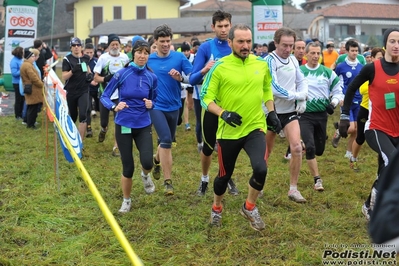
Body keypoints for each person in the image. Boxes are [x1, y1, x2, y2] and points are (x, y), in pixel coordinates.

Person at [201, 24, 281, 230]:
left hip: (255, 127)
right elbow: (205, 97)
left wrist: (271, 111)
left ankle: (249, 206)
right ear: (230, 43)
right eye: (240, 41)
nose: (245, 46)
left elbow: (266, 89)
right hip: (229, 131)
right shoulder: (220, 66)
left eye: (248, 41)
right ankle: (217, 207)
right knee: (223, 177)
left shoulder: (261, 64)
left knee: (261, 169)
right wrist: (223, 114)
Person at [339, 28, 399, 221]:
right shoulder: (373, 68)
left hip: (397, 129)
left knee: (385, 169)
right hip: (376, 127)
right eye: (392, 41)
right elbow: (351, 89)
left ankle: (369, 205)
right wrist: (344, 115)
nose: (396, 45)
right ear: (385, 44)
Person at [100, 40, 157, 213]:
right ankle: (126, 200)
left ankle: (145, 175)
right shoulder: (122, 74)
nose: (142, 56)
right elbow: (105, 96)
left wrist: (150, 104)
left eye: (146, 53)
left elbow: (155, 99)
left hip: (143, 124)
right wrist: (114, 107)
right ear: (133, 54)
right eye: (139, 52)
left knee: (147, 162)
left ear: (148, 55)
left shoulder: (151, 77)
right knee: (128, 166)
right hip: (124, 124)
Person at [189, 10, 239, 196]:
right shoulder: (206, 48)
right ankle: (204, 179)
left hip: (231, 105)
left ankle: (226, 178)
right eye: (220, 26)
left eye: (227, 26)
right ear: (213, 27)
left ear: (231, 25)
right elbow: (192, 79)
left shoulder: (236, 46)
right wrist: (204, 69)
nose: (224, 29)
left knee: (227, 146)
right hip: (210, 105)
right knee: (209, 147)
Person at [147, 24, 192, 195]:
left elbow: (193, 77)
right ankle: (168, 182)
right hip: (156, 106)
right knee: (165, 139)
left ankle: (156, 160)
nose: (165, 44)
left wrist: (180, 77)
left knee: (167, 142)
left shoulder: (179, 58)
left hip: (175, 106)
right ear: (156, 42)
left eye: (168, 41)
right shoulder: (149, 60)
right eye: (162, 41)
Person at [264, 27, 308, 203]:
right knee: (265, 152)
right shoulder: (270, 60)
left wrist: (303, 96)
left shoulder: (293, 61)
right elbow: (274, 87)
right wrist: (296, 96)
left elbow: (301, 80)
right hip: (271, 111)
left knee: (297, 147)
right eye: (284, 45)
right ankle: (258, 184)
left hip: (289, 111)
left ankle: (293, 189)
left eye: (291, 46)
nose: (288, 50)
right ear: (276, 43)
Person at [299, 42, 344, 191]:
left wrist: (333, 103)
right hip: (304, 115)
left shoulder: (327, 72)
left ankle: (306, 142)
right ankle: (317, 180)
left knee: (319, 150)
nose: (316, 56)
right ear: (306, 54)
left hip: (322, 115)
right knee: (311, 148)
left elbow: (338, 90)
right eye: (312, 53)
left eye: (318, 53)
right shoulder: (299, 72)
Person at [94, 33, 129, 156]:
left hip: (120, 96)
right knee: (104, 122)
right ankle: (103, 130)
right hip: (106, 95)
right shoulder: (103, 58)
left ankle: (116, 147)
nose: (115, 46)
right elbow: (95, 77)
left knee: (119, 121)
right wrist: (106, 79)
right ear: (108, 46)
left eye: (117, 44)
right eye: (112, 44)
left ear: (120, 45)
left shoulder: (125, 58)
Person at [349, 47, 384, 171]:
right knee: (360, 138)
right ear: (372, 58)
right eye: (379, 58)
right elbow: (362, 89)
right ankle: (353, 159)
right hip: (365, 109)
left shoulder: (386, 72)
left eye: (382, 58)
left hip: (380, 111)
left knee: (383, 138)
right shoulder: (368, 71)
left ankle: (383, 165)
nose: (381, 61)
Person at [331, 40, 363, 160]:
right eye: (352, 51)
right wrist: (340, 97)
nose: (355, 53)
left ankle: (349, 152)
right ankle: (340, 130)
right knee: (351, 128)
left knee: (357, 130)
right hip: (346, 100)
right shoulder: (341, 67)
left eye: (356, 51)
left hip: (359, 100)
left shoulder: (361, 66)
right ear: (347, 51)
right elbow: (337, 83)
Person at [62, 37, 93, 141]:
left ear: (81, 47)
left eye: (78, 45)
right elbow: (64, 77)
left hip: (83, 91)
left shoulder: (86, 58)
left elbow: (89, 71)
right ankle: (70, 137)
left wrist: (90, 76)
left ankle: (80, 142)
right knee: (73, 117)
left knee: (83, 115)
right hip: (71, 92)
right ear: (71, 47)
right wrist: (72, 71)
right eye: (74, 46)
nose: (76, 47)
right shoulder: (67, 59)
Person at [20, 48, 43, 129]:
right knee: (33, 107)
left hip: (30, 88)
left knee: (31, 106)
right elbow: (33, 78)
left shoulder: (26, 65)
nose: (34, 58)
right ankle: (31, 124)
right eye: (33, 56)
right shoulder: (28, 66)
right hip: (33, 89)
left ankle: (30, 122)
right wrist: (41, 84)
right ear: (29, 57)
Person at [83, 43, 99, 138]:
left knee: (99, 109)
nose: (89, 54)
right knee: (87, 109)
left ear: (94, 52)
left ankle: (103, 127)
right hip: (87, 88)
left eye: (91, 52)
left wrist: (97, 80)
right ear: (84, 52)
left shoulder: (97, 61)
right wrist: (90, 82)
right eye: (87, 52)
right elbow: (83, 75)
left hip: (97, 88)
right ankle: (89, 129)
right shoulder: (82, 62)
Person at [10, 46, 24, 120]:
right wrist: (23, 69)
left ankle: (21, 113)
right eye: (22, 52)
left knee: (22, 99)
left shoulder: (20, 60)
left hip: (21, 82)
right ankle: (17, 115)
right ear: (19, 53)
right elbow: (14, 73)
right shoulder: (14, 61)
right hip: (17, 83)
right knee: (18, 99)